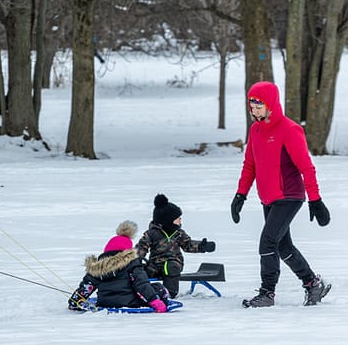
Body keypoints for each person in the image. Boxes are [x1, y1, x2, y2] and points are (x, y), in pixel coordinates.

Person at [231, 81, 331, 308]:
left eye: (258, 106)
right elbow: (250, 166)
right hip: (269, 197)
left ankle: (267, 293)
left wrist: (316, 200)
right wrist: (240, 195)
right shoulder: (255, 130)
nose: (254, 110)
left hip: (289, 196)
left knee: (267, 243)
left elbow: (307, 168)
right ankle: (312, 283)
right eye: (251, 106)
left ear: (271, 105)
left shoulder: (289, 130)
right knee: (283, 247)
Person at [68, 221, 169, 312]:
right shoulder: (132, 263)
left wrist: (74, 301)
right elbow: (141, 285)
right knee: (158, 288)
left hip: (105, 302)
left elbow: (87, 286)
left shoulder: (98, 267)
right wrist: (155, 302)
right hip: (130, 303)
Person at [135, 194, 217, 298]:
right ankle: (139, 292)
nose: (180, 220)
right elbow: (142, 247)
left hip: (174, 262)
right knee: (139, 271)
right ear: (167, 220)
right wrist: (135, 259)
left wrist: (202, 246)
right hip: (155, 264)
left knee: (171, 267)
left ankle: (169, 293)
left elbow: (188, 245)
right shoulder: (152, 234)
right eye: (177, 218)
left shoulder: (179, 233)